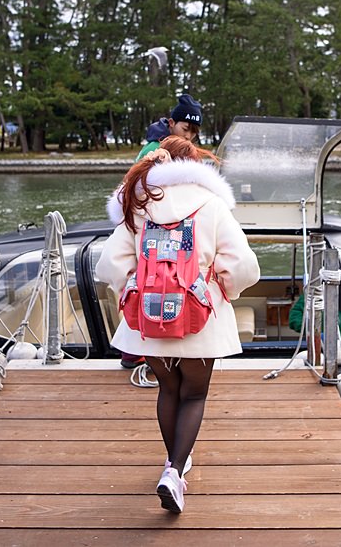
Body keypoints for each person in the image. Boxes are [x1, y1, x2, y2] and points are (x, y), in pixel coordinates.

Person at [95, 135, 260, 514]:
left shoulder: (141, 205)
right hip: (199, 318)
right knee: (195, 396)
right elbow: (244, 265)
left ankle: (175, 462)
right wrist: (223, 289)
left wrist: (134, 291)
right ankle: (174, 471)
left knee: (168, 391)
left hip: (149, 320)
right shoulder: (212, 205)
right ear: (195, 165)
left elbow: (109, 264)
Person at [120, 92, 204, 369]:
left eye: (194, 131)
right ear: (172, 123)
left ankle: (138, 349)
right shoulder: (154, 151)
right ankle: (141, 351)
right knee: (151, 282)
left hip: (147, 229)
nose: (190, 136)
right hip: (153, 229)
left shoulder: (158, 145)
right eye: (185, 129)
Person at [137, 93, 203, 160]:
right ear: (171, 123)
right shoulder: (154, 148)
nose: (188, 136)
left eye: (193, 132)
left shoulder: (185, 150)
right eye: (185, 129)